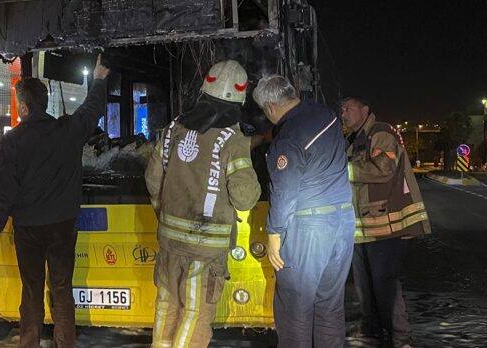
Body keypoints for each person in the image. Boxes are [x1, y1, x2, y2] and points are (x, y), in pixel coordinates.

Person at [0, 55, 110, 348]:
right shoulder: (68, 131)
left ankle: (29, 343)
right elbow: (92, 109)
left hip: (29, 230)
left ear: (23, 107)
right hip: (63, 226)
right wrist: (98, 80)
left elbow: (1, 190)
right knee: (62, 289)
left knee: (32, 290)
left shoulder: (12, 142)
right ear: (45, 103)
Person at [144, 59, 261, 348]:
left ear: (204, 88)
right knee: (195, 314)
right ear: (240, 98)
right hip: (206, 249)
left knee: (166, 307)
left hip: (170, 241)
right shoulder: (233, 140)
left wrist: (165, 212)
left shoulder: (173, 129)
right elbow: (245, 198)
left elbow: (152, 177)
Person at [251, 75, 354, 347]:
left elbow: (284, 191)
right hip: (342, 221)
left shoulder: (287, 139)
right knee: (329, 305)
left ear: (270, 106)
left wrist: (274, 234)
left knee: (294, 308)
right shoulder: (325, 114)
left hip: (309, 228)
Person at [341, 96, 430, 348]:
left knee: (384, 283)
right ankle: (371, 332)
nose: (344, 113)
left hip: (385, 227)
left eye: (349, 108)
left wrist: (342, 169)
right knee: (365, 286)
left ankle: (400, 338)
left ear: (365, 110)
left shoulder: (380, 133)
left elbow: (383, 169)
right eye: (342, 109)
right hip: (361, 230)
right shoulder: (353, 139)